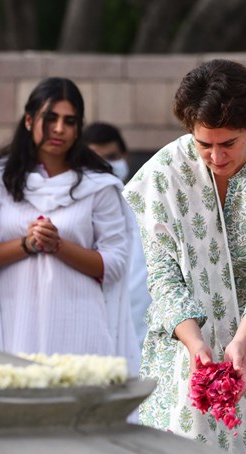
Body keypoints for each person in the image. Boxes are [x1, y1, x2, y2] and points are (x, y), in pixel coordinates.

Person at [124, 59, 246, 454]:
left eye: (228, 144)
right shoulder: (166, 172)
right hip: (186, 342)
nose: (215, 157)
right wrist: (196, 346)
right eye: (203, 144)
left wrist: (241, 342)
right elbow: (162, 274)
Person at [0, 77, 138, 371]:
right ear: (30, 120)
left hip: (80, 329)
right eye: (51, 118)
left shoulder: (99, 186)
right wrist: (26, 244)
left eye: (70, 121)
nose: (59, 129)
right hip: (10, 325)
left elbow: (115, 264)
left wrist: (59, 246)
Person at [84, 122, 151, 358]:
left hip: (144, 335)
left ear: (125, 155)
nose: (106, 165)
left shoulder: (149, 206)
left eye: (112, 157)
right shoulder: (78, 216)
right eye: (96, 159)